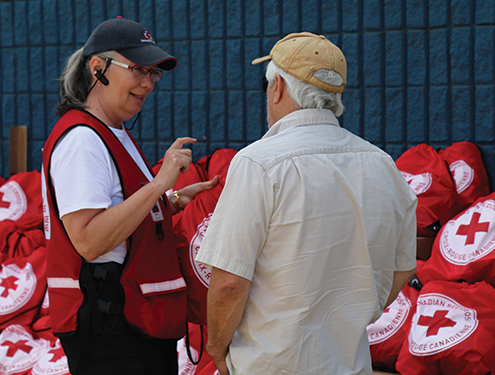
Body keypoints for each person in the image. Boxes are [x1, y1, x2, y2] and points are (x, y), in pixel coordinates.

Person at [196, 32, 418, 375]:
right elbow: (403, 268)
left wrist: (217, 348)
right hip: (350, 364)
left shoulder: (257, 162)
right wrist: (350, 314)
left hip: (267, 365)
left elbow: (229, 282)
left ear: (278, 87)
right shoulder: (383, 164)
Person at [41, 17, 217, 375]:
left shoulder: (111, 131)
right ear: (97, 69)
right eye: (138, 69)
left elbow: (118, 212)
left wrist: (173, 199)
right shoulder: (82, 141)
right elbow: (89, 240)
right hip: (111, 327)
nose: (149, 83)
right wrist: (158, 184)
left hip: (136, 320)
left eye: (154, 73)